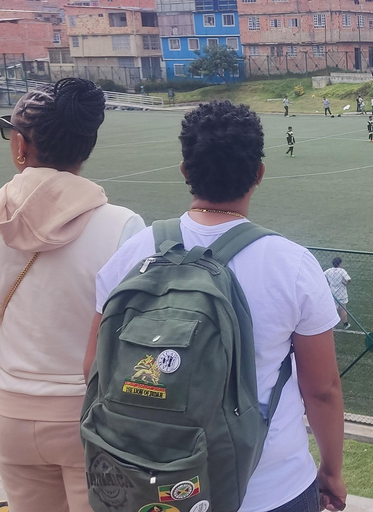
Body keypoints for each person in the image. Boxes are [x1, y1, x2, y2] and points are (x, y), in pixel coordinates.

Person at [87, 101, 347, 512]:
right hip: (272, 487)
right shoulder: (292, 264)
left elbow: (95, 369)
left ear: (185, 171)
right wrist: (331, 471)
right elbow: (322, 390)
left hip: (157, 484)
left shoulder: (132, 254)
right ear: (259, 174)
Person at [0, 78, 144, 512]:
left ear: (19, 143)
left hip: (12, 414)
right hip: (93, 415)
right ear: (85, 148)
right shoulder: (123, 227)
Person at [324, 257, 352, 330]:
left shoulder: (328, 271)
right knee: (343, 309)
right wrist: (345, 283)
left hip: (332, 293)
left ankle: (332, 326)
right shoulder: (342, 271)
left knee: (333, 310)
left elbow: (322, 276)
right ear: (340, 263)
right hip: (342, 294)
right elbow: (348, 279)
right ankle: (345, 324)